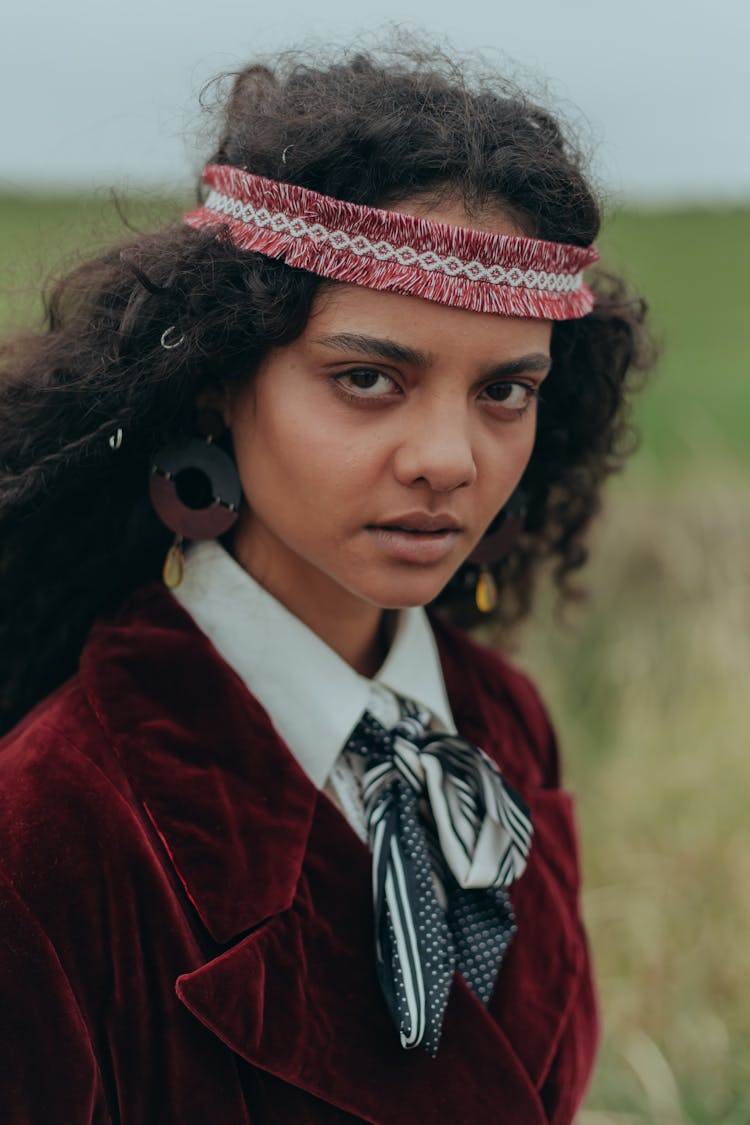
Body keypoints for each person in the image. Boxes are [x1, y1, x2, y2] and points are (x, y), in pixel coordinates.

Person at [0, 45, 651, 1125]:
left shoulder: (504, 727)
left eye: (504, 389)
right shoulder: (55, 822)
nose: (448, 458)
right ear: (217, 376)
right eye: (368, 379)